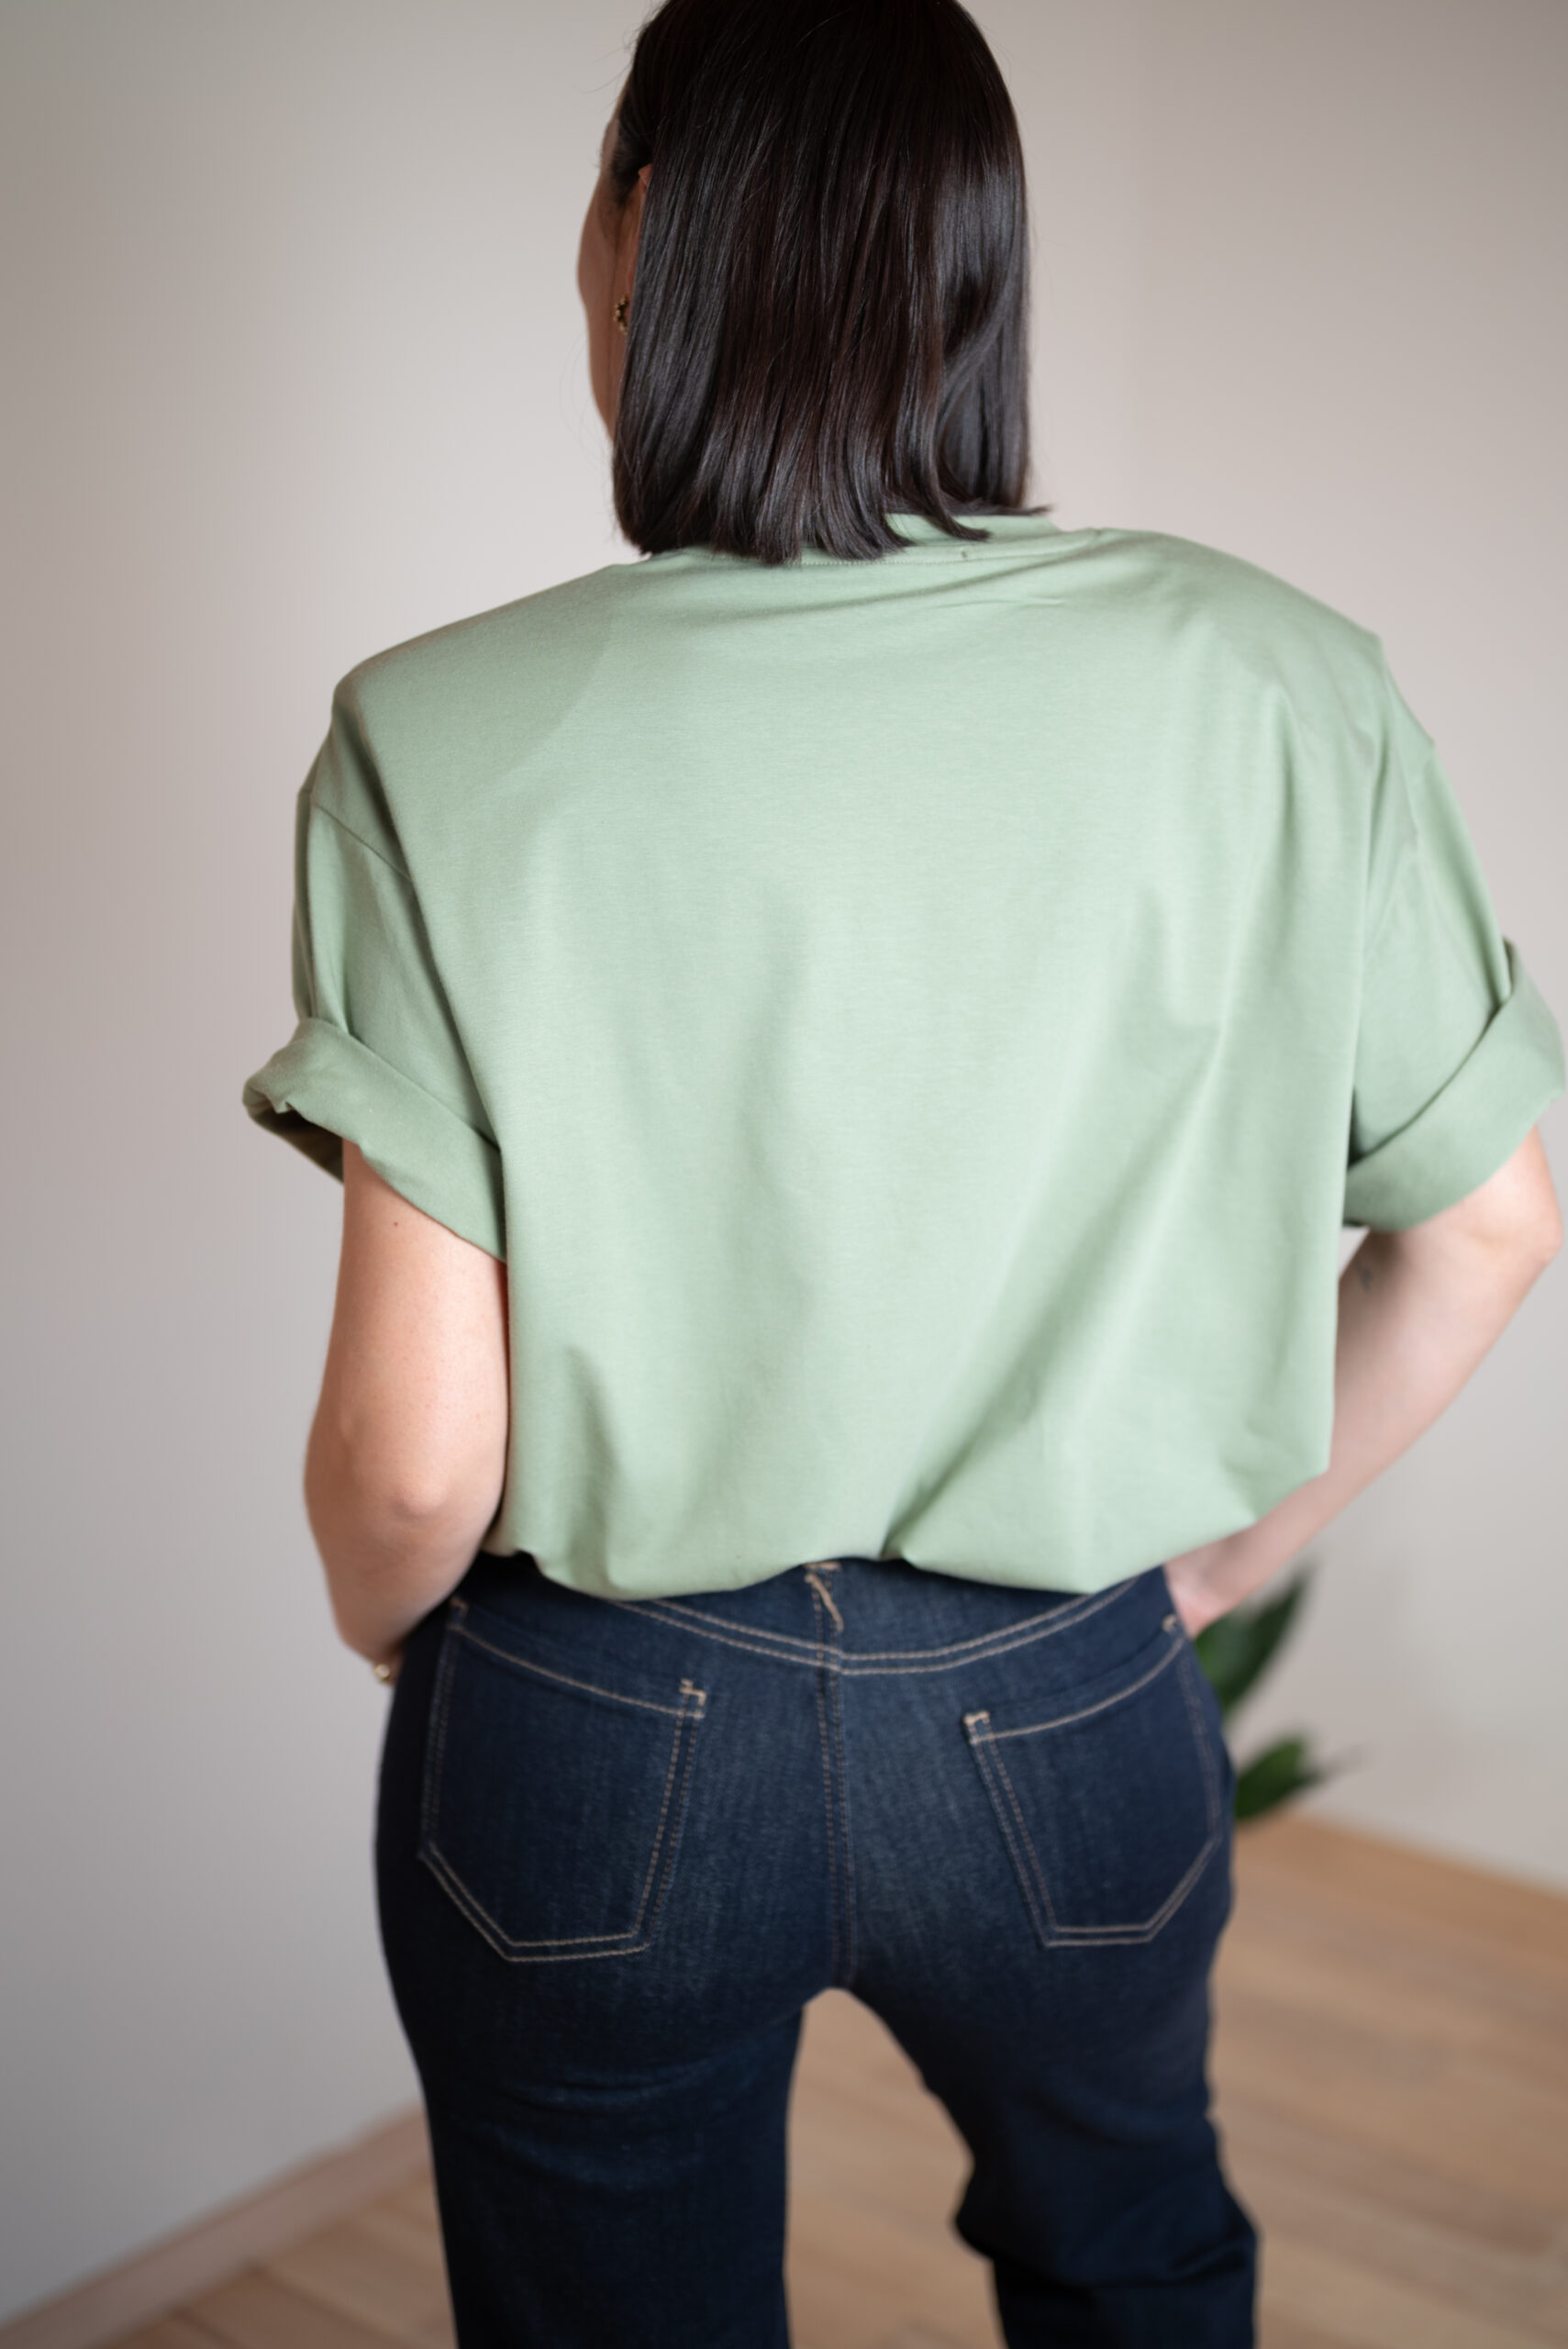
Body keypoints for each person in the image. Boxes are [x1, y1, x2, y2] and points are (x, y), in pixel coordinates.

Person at [242, 0, 1564, 2340]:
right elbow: (1490, 1217)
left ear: (641, 228)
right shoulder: (1282, 682)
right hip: (1067, 1691)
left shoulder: (431, 735)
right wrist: (1201, 1569)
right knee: (1135, 2254)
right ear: (977, 259)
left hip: (593, 1723)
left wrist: (389, 1625)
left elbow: (420, 1457)